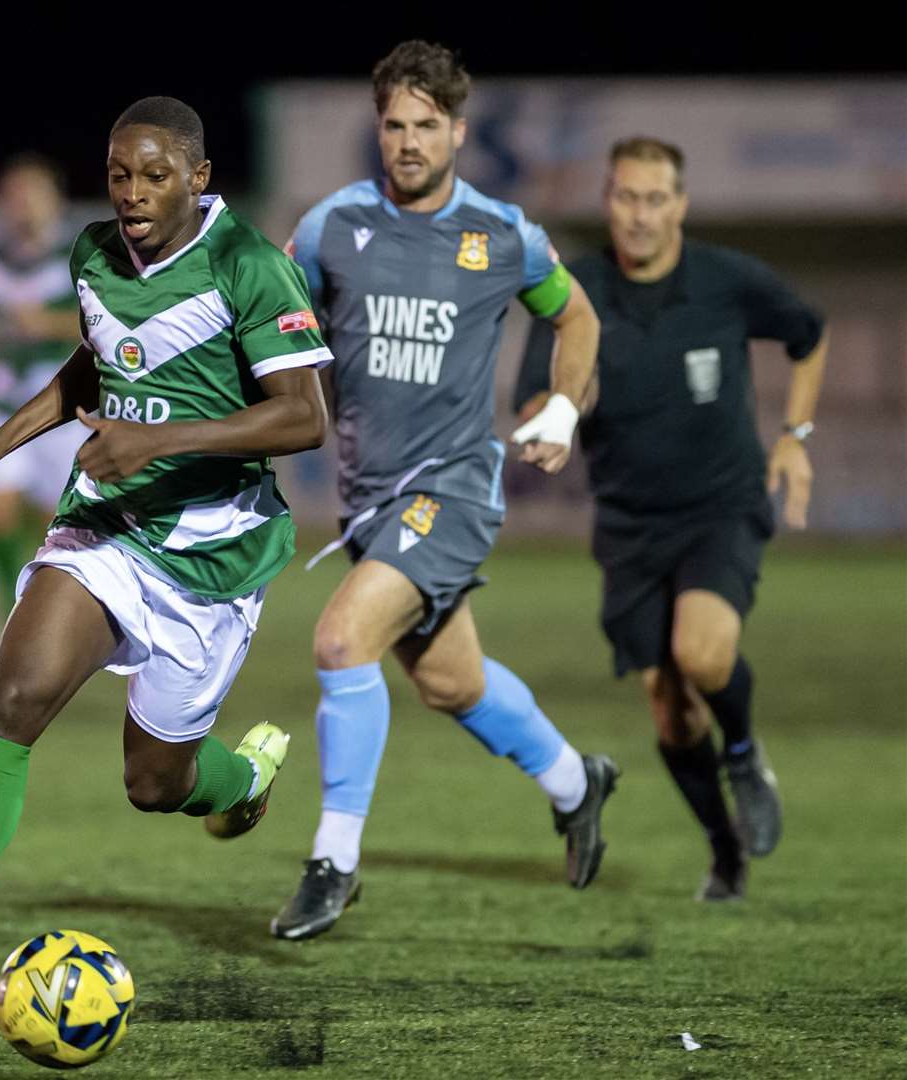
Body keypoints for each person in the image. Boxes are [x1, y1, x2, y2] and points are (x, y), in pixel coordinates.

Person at [0, 96, 330, 1026]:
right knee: (13, 698)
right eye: (119, 173)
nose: (131, 193)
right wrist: (1, 444)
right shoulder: (91, 253)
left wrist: (157, 445)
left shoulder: (248, 267)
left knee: (152, 785)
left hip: (211, 554)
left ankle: (242, 780)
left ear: (197, 178)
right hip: (105, 528)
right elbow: (94, 365)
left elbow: (302, 416)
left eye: (154, 175)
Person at [272, 40, 618, 942]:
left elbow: (574, 313)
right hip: (367, 503)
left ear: (458, 132)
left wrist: (564, 407)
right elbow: (270, 328)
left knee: (342, 641)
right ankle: (577, 783)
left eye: (427, 125)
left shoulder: (502, 235)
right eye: (394, 124)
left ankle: (333, 862)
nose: (408, 142)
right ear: (376, 128)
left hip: (455, 489)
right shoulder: (327, 229)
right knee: (450, 682)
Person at [515, 136, 827, 901]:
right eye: (625, 196)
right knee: (672, 715)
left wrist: (794, 437)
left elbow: (807, 333)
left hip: (721, 507)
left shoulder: (724, 280)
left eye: (655, 199)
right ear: (606, 200)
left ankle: (746, 753)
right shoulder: (573, 291)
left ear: (679, 205)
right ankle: (725, 853)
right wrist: (557, 412)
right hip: (627, 527)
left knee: (704, 656)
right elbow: (532, 398)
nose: (639, 214)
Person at [0, 154, 90, 662]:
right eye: (11, 194)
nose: (20, 204)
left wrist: (48, 325)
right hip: (0, 398)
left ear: (52, 199)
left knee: (53, 521)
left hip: (56, 405)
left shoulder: (77, 254)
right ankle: (10, 608)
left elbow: (99, 328)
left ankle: (47, 613)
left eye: (29, 193)